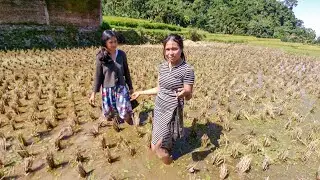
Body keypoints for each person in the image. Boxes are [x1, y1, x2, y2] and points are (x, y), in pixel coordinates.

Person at [131, 34, 195, 164]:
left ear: (181, 49)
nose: (170, 53)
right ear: (164, 50)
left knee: (158, 147)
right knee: (157, 142)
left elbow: (188, 96)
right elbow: (159, 89)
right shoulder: (163, 67)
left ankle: (169, 161)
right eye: (167, 49)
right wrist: (140, 92)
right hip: (159, 107)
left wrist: (186, 92)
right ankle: (167, 154)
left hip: (172, 110)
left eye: (174, 49)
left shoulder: (187, 70)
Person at [89, 30, 134, 125]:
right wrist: (93, 93)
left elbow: (126, 71)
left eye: (115, 41)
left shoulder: (121, 54)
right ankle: (116, 130)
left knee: (125, 111)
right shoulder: (100, 56)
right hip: (107, 90)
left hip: (121, 87)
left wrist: (130, 87)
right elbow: (98, 76)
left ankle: (132, 126)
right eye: (111, 42)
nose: (114, 44)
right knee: (110, 115)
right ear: (105, 43)